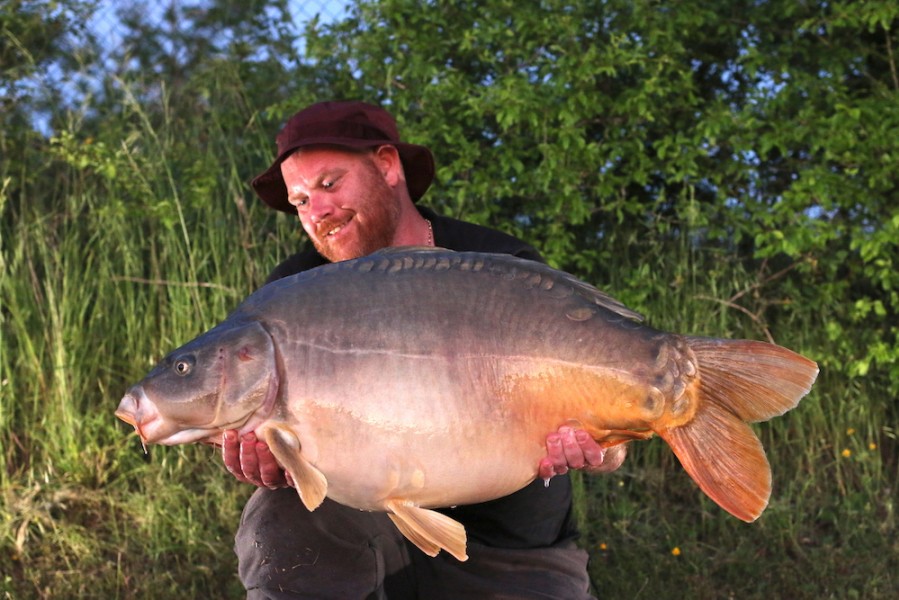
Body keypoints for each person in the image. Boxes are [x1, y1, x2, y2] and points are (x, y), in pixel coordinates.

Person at [223, 100, 626, 599]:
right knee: (277, 511)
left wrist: (597, 449)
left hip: (511, 548)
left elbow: (618, 447)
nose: (317, 212)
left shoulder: (503, 267)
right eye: (301, 200)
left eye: (329, 184)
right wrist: (268, 463)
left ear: (388, 165)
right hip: (362, 537)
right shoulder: (294, 291)